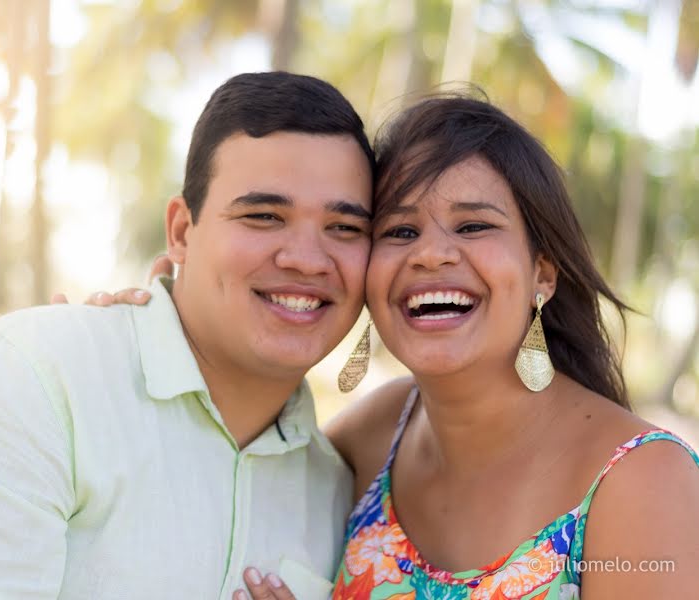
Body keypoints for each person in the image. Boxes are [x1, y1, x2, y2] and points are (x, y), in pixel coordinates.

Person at [102, 95, 699, 599]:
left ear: (543, 273)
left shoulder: (644, 481)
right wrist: (150, 324)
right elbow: (221, 467)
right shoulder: (374, 436)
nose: (431, 253)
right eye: (399, 231)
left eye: (473, 226)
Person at [0, 71, 376, 598]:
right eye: (263, 216)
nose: (307, 260)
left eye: (345, 229)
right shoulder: (28, 385)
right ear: (182, 231)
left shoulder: (333, 495)